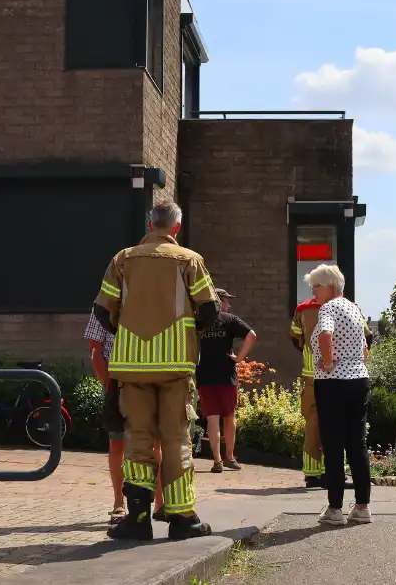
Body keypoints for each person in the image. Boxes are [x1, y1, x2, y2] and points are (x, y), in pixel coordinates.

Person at [94, 201, 221, 541]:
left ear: (151, 223)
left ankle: (137, 519)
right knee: (175, 438)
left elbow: (103, 312)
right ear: (176, 228)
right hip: (175, 367)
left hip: (131, 366)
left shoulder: (123, 259)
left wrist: (129, 328)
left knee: (137, 438)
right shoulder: (189, 260)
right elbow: (210, 309)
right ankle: (182, 518)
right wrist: (187, 332)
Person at [304, 263, 374, 526]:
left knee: (333, 444)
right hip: (358, 379)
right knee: (358, 443)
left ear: (330, 285)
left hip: (333, 381)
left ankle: (335, 509)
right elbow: (365, 346)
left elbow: (325, 333)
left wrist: (329, 360)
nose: (314, 292)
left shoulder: (328, 308)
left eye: (316, 286)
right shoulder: (354, 309)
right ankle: (362, 506)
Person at [83, 308, 164, 523]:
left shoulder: (151, 298)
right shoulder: (105, 304)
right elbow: (94, 349)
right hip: (117, 381)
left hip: (149, 380)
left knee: (154, 443)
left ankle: (160, 504)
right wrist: (108, 384)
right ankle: (119, 503)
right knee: (117, 443)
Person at [291, 292, 374, 488]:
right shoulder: (351, 308)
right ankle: (336, 474)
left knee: (313, 424)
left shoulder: (302, 309)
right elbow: (366, 338)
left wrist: (311, 355)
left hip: (313, 375)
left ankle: (312, 474)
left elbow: (295, 338)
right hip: (344, 375)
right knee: (343, 428)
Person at [196, 287, 257, 473]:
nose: (229, 304)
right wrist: (239, 358)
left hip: (205, 375)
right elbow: (252, 336)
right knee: (229, 416)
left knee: (212, 418)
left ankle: (217, 460)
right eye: (226, 300)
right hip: (226, 376)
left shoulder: (199, 321)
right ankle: (230, 457)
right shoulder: (230, 320)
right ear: (219, 301)